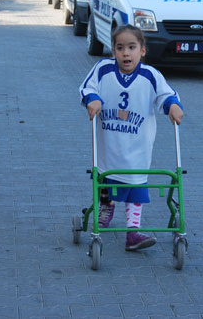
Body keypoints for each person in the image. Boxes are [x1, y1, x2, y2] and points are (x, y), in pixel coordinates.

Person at [79, 25, 184, 251]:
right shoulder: (103, 69)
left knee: (136, 184)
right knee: (105, 181)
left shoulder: (151, 76)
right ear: (113, 51)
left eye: (131, 47)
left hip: (137, 147)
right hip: (109, 144)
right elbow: (87, 88)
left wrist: (172, 105)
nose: (126, 53)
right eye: (120, 48)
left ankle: (132, 232)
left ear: (142, 51)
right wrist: (93, 99)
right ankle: (104, 212)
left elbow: (166, 94)